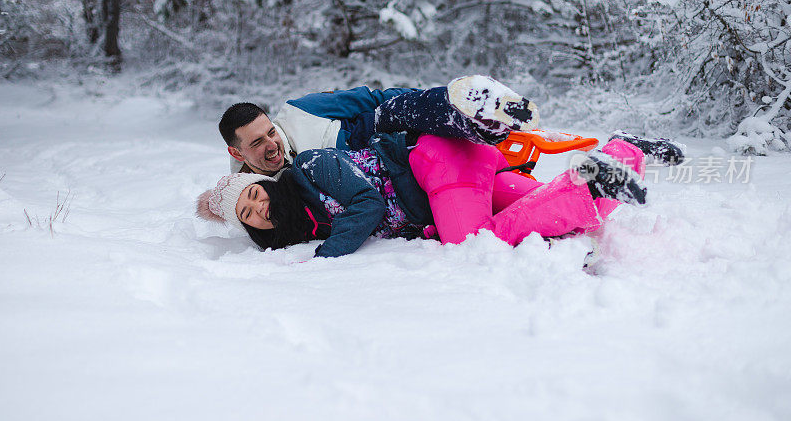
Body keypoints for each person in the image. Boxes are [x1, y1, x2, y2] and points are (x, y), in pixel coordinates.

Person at [196, 131, 685, 257]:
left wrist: (328, 256)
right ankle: (624, 155)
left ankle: (593, 180)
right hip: (453, 181)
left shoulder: (310, 166)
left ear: (263, 184)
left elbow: (366, 205)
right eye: (247, 214)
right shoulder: (304, 220)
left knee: (472, 240)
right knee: (550, 210)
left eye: (253, 195)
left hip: (437, 165)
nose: (258, 208)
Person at [219, 75, 539, 176]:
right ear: (237, 152)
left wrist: (428, 100)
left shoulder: (298, 113)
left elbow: (370, 98)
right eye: (257, 143)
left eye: (270, 132)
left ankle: (483, 113)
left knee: (399, 111)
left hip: (366, 132)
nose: (271, 144)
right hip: (375, 172)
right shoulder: (247, 190)